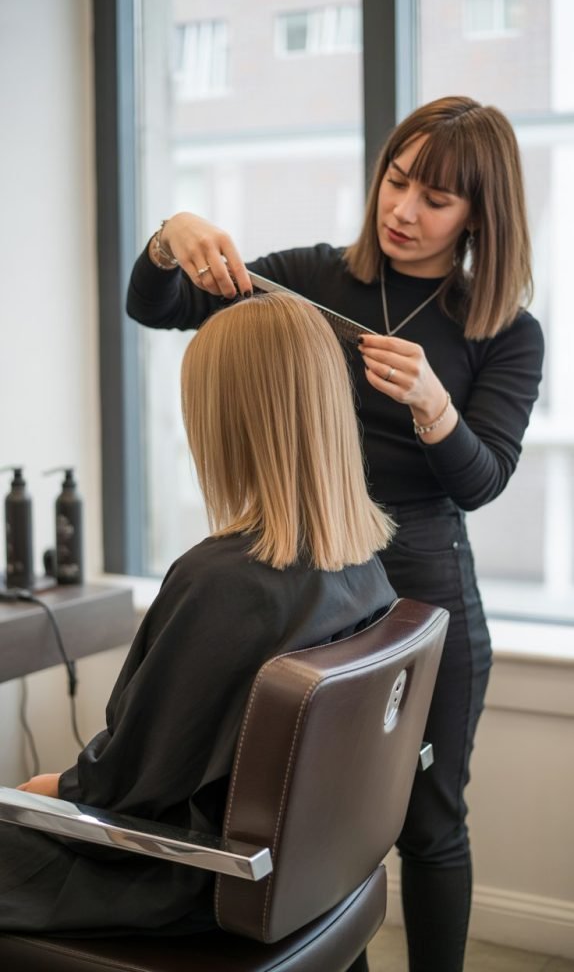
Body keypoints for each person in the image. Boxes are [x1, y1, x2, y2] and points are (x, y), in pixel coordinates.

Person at [125, 96, 545, 972]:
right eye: (397, 181)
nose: (403, 210)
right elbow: (158, 307)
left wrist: (435, 407)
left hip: (425, 597)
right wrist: (171, 239)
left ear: (479, 214)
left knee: (432, 828)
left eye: (435, 199)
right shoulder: (314, 279)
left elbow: (485, 481)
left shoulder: (503, 333)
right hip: (312, 590)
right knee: (311, 833)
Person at [0, 293, 396, 935]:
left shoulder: (224, 584)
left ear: (228, 420)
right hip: (304, 875)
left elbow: (120, 792)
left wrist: (45, 789)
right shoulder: (363, 570)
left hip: (186, 882)